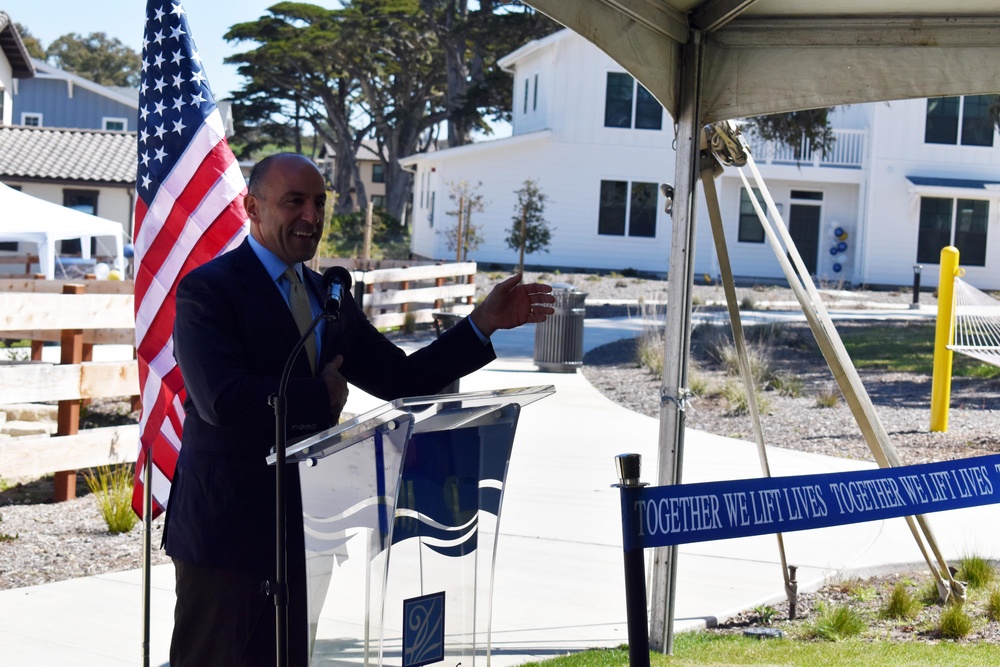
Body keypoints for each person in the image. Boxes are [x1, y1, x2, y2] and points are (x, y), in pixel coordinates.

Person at [164, 152, 555, 666]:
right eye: (295, 202)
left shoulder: (326, 296)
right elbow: (220, 399)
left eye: (319, 203)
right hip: (227, 531)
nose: (311, 216)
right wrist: (319, 395)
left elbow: (403, 380)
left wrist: (480, 323)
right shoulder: (208, 290)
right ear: (251, 207)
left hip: (303, 527)